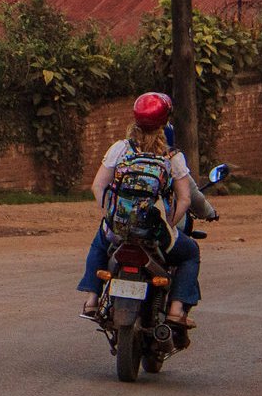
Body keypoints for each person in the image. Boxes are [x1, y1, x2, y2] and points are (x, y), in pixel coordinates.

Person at [76, 92, 201, 327]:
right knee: (191, 252)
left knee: (98, 244)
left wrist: (111, 215)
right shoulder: (172, 157)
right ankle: (176, 310)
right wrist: (169, 225)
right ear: (165, 122)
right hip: (156, 233)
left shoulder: (121, 149)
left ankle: (92, 300)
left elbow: (98, 186)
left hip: (119, 229)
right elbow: (185, 200)